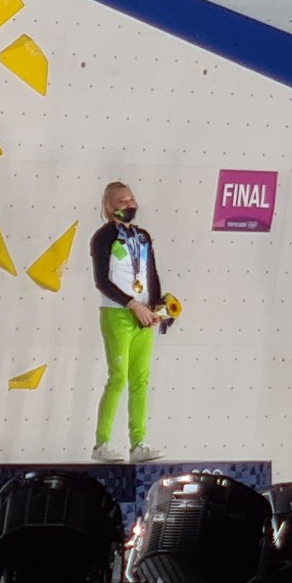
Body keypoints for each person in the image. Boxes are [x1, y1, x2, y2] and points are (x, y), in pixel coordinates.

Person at [90, 182, 165, 463]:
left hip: (144, 315)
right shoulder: (104, 237)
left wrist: (156, 307)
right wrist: (132, 305)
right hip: (118, 314)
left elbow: (152, 274)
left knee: (140, 380)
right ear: (109, 207)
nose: (129, 204)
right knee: (118, 377)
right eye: (122, 201)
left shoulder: (143, 237)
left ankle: (138, 443)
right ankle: (102, 443)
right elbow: (102, 281)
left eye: (132, 199)